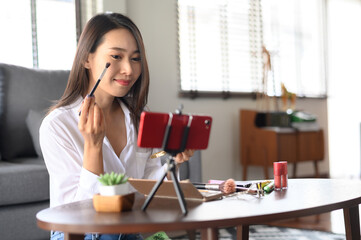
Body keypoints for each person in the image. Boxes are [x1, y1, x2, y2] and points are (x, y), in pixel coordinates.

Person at [39, 12, 193, 240]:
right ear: (87, 59)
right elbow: (78, 215)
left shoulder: (139, 118)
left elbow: (147, 186)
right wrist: (93, 147)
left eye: (135, 58)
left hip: (129, 228)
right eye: (116, 57)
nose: (129, 70)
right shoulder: (58, 125)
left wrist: (173, 164)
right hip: (79, 232)